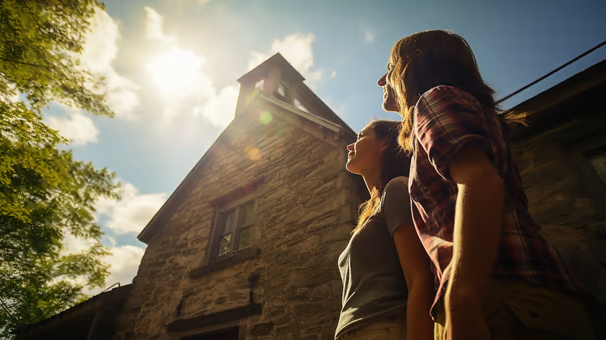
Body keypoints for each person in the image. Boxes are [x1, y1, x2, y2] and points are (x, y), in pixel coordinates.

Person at [377, 29, 596, 340]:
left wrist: (461, 296)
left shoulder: (434, 98)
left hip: (499, 296)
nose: (382, 81)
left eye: (389, 68)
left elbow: (479, 181)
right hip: (512, 295)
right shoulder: (461, 114)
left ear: (412, 67)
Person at [336, 120, 434, 340]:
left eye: (361, 136)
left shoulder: (397, 188)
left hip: (385, 327)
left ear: (385, 144)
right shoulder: (372, 211)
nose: (350, 146)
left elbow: (420, 278)